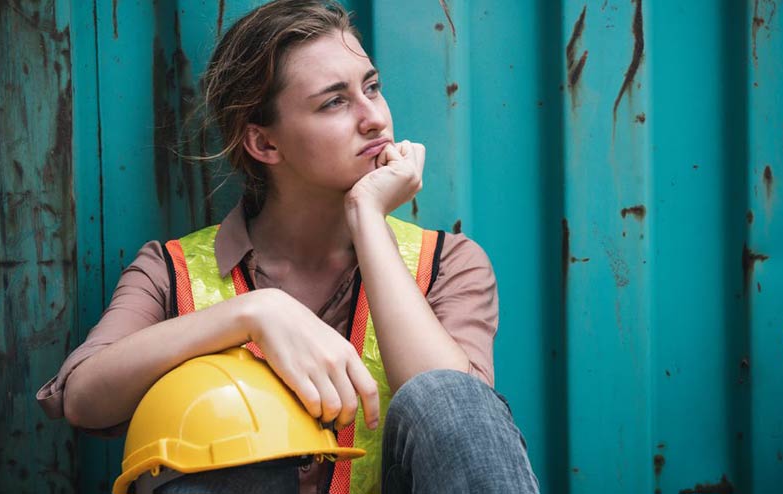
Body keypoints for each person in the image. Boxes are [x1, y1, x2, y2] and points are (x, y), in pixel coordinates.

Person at [36, 1, 539, 492]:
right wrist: (252, 313)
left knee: (450, 396)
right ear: (265, 144)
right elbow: (83, 398)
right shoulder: (171, 271)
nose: (375, 119)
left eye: (372, 88)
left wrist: (367, 217)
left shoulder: (449, 262)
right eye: (335, 101)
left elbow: (458, 421)